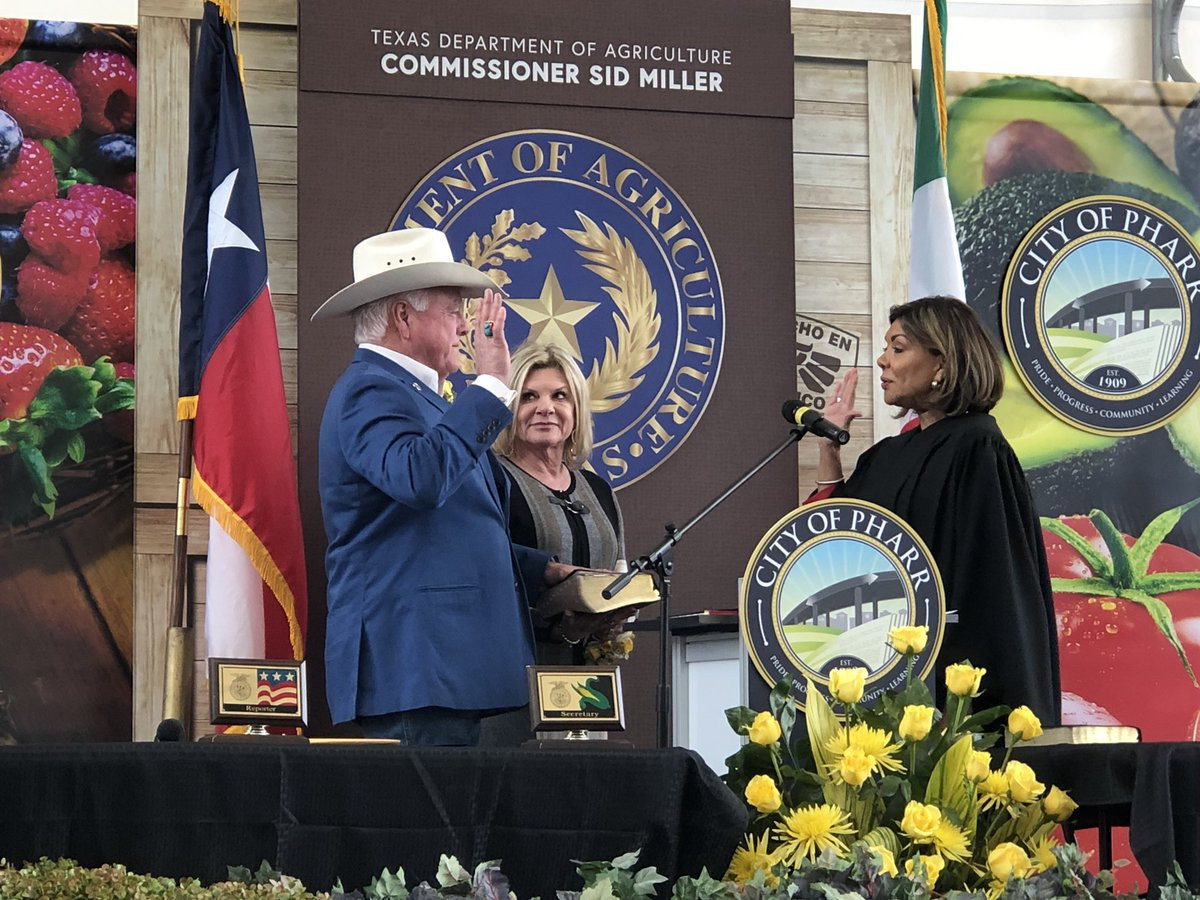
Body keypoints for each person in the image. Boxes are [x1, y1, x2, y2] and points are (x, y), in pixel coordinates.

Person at [311, 227, 575, 746]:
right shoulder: (370, 389)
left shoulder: (416, 396)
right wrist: (494, 386)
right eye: (453, 309)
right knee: (433, 825)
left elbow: (447, 528)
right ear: (403, 318)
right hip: (416, 666)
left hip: (447, 668)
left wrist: (545, 571)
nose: (464, 324)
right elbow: (422, 479)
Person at [813, 296, 1061, 723]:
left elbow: (989, 593)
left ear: (941, 363)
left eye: (898, 347)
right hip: (880, 682)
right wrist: (828, 447)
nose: (881, 360)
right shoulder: (886, 457)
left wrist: (954, 694)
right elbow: (833, 543)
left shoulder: (978, 447)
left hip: (947, 697)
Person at [495, 342, 628, 654]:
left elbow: (619, 569)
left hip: (593, 676)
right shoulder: (491, 480)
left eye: (559, 396)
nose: (546, 408)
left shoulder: (597, 490)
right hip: (516, 669)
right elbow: (484, 567)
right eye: (529, 396)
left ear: (576, 410)